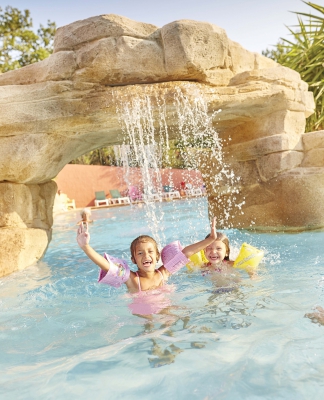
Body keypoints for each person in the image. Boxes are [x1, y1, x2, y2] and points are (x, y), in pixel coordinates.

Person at [76, 217, 217, 294]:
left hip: (164, 306)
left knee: (176, 316)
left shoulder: (164, 273)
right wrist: (86, 247)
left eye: (150, 252)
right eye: (140, 253)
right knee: (149, 325)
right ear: (133, 259)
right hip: (143, 311)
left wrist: (209, 240)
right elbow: (108, 266)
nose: (146, 256)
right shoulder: (133, 280)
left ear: (157, 256)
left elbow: (185, 253)